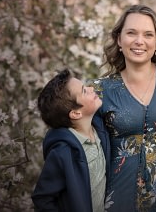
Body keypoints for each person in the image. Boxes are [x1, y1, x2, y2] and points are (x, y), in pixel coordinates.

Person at [92, 4, 156, 211]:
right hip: (120, 198)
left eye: (148, 34)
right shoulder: (100, 90)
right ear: (119, 39)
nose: (139, 41)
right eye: (131, 33)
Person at [32, 69, 110, 212]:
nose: (91, 88)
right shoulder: (63, 153)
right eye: (84, 91)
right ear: (75, 113)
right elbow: (42, 198)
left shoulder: (100, 131)